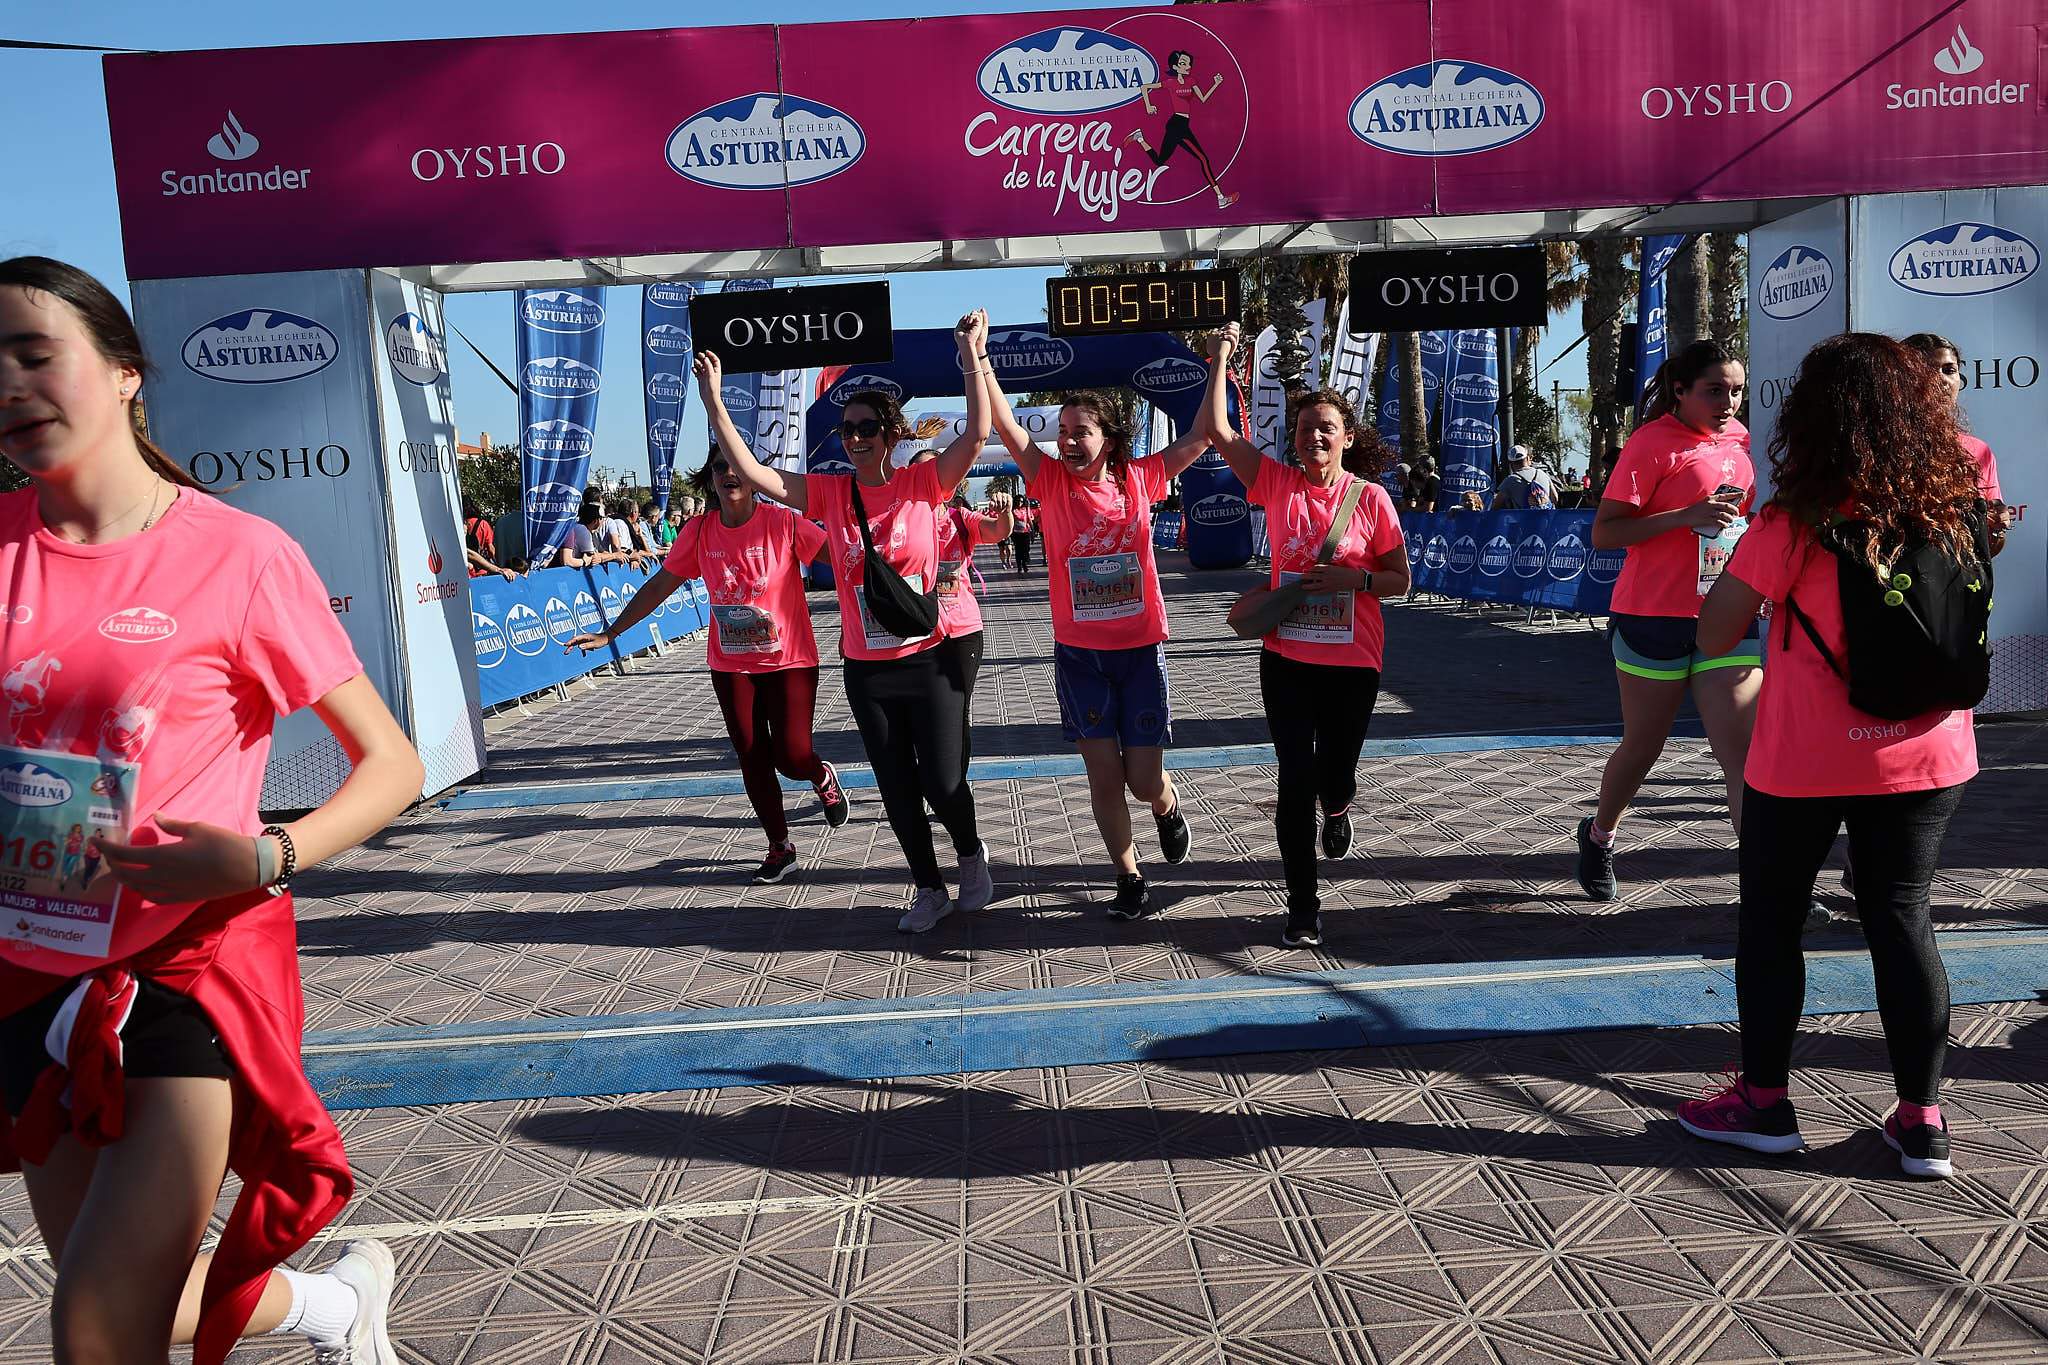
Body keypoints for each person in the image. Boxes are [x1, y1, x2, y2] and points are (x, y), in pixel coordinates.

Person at [0, 256, 424, 1363]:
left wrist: (263, 855)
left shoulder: (238, 555)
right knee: (122, 1294)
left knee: (96, 1327)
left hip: (183, 971)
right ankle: (335, 1307)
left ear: (125, 372)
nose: (8, 385)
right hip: (24, 974)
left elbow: (390, 763)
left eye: (34, 354)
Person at [1676, 333, 1988, 1179]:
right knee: (1903, 916)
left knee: (1773, 921)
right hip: (1929, 748)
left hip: (1807, 756)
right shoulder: (1954, 504)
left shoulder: (1794, 520)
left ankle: (1765, 1105)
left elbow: (1715, 633)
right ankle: (1922, 1120)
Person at [693, 311, 994, 934]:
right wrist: (714, 402)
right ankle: (928, 888)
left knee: (942, 782)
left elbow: (976, 435)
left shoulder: (923, 483)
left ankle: (969, 853)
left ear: (890, 435)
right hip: (867, 671)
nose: (854, 438)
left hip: (930, 659)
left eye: (866, 428)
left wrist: (973, 357)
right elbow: (756, 474)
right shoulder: (830, 494)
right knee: (896, 785)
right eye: (847, 429)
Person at [1575, 340, 1808, 922]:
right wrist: (1685, 517)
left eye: (1736, 390)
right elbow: (1605, 533)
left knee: (1744, 755)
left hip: (1725, 613)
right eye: (1714, 390)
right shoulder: (1651, 443)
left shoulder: (1743, 441)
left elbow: (1741, 522)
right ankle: (1600, 834)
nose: (1728, 402)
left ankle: (1772, 888)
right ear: (1680, 391)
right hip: (1653, 616)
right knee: (1643, 746)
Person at [1203, 324, 1412, 946]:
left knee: (1335, 774)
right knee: (1295, 778)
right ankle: (1302, 903)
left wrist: (1356, 580)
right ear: (1292, 439)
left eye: (1326, 428)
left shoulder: (1370, 499)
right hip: (1287, 657)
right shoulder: (1276, 484)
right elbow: (1219, 431)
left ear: (1347, 437)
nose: (1314, 437)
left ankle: (1339, 806)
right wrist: (1220, 358)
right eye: (1304, 429)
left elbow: (1400, 579)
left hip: (1353, 662)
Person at [981, 368, 1214, 921]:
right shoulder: (1050, 482)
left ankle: (1166, 805)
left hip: (1140, 652)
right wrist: (979, 359)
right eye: (1061, 431)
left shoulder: (1140, 478)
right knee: (1105, 778)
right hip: (1081, 657)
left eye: (1079, 431)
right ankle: (1129, 877)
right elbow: (1007, 427)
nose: (1066, 441)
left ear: (1107, 439)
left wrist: (1221, 357)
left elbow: (1203, 434)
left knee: (1143, 781)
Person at [568, 448, 847, 881]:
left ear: (755, 476)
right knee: (752, 754)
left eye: (738, 467)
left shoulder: (784, 523)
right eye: (720, 467)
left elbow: (845, 560)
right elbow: (661, 584)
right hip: (732, 664)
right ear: (710, 477)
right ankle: (780, 847)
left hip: (788, 659)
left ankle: (819, 775)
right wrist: (612, 632)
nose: (729, 474)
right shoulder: (699, 532)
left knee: (792, 757)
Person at [918, 460, 1013, 771]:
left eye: (938, 473)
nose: (932, 481)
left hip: (962, 631)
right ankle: (932, 774)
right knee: (925, 711)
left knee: (957, 709)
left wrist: (1005, 513)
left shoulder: (960, 518)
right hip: (917, 632)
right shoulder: (901, 522)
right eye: (922, 474)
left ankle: (954, 779)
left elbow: (997, 530)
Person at [1901, 333, 2015, 535]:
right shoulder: (1878, 445)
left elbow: (1989, 544)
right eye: (1926, 369)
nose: (1941, 379)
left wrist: (1995, 524)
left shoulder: (1979, 451)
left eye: (1949, 370)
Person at [1124, 49, 1239, 210]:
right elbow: (1144, 87)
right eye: (1183, 63)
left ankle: (1140, 138)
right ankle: (1220, 198)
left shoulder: (1191, 81)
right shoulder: (1170, 83)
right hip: (1177, 125)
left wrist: (1215, 84)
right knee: (1203, 159)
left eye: (1189, 63)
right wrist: (1148, 106)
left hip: (1182, 125)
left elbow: (1203, 99)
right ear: (1175, 67)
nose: (1188, 66)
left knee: (1159, 161)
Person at [1491, 446, 1554, 510]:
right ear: (1527, 458)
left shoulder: (1510, 481)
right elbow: (1555, 498)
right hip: (1546, 516)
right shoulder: (1542, 473)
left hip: (1525, 516)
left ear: (1511, 464)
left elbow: (1495, 506)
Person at [1010, 498, 1037, 576]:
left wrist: (1033, 531)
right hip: (1016, 533)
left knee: (1026, 549)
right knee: (1018, 550)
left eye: (1021, 501)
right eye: (1018, 501)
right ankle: (1019, 566)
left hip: (1026, 532)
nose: (1020, 502)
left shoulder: (1025, 510)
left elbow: (1030, 520)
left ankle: (1024, 563)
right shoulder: (1013, 511)